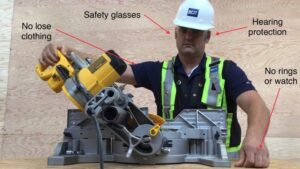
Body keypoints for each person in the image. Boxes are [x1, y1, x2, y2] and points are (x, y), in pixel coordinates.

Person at [38, 0, 270, 167]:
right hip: (170, 163)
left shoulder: (226, 71)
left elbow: (257, 105)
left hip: (222, 164)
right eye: (184, 30)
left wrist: (254, 138)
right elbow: (115, 68)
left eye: (196, 32)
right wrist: (70, 53)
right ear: (175, 34)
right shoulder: (158, 71)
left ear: (207, 36)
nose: (188, 36)